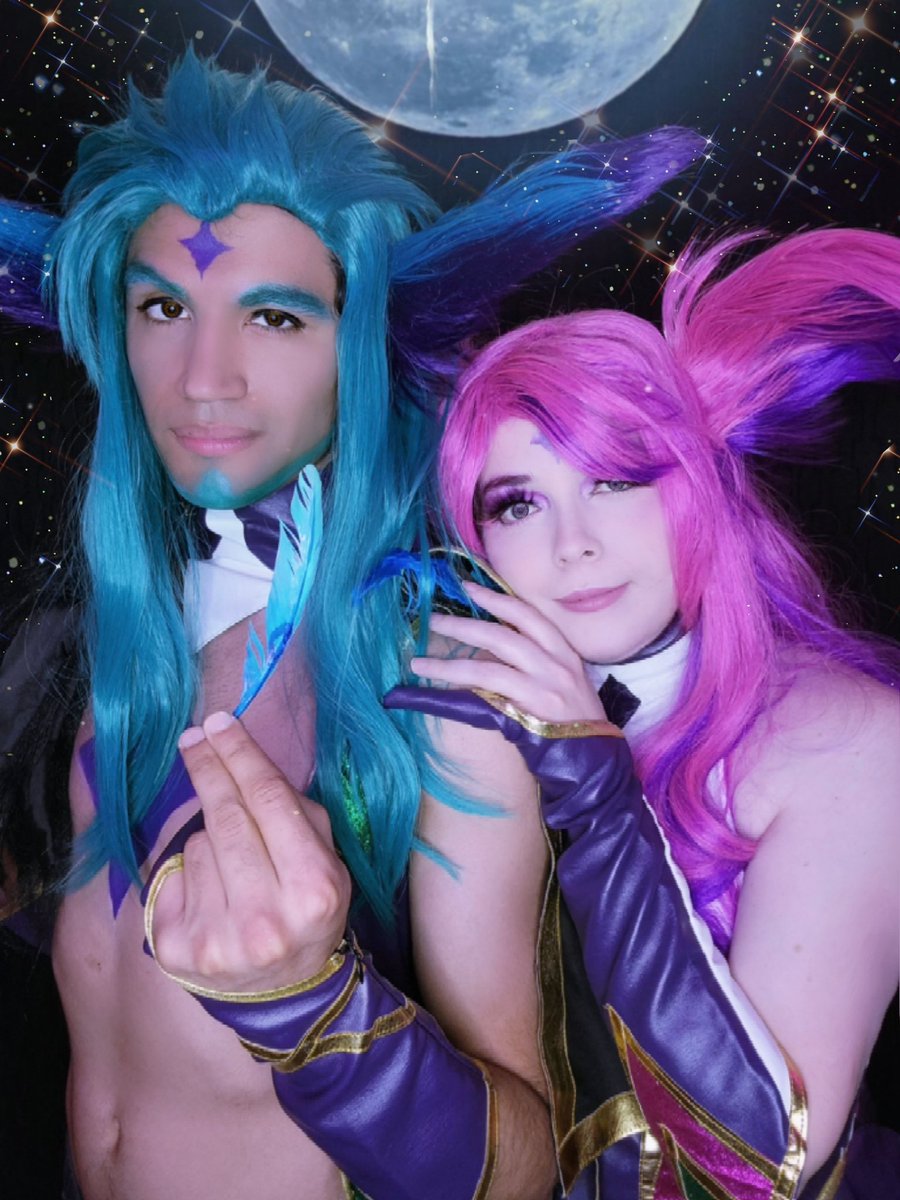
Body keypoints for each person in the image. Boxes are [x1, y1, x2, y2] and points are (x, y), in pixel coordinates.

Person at [0, 50, 704, 1200]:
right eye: (166, 306)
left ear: (360, 345)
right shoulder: (136, 649)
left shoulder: (442, 682)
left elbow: (524, 1168)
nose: (204, 378)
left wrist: (316, 1012)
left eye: (275, 317)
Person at [386, 227, 900, 1198]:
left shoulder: (851, 741)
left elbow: (757, 1170)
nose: (573, 543)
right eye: (518, 504)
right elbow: (493, 1125)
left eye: (616, 480)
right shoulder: (463, 726)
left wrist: (596, 791)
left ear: (698, 487)